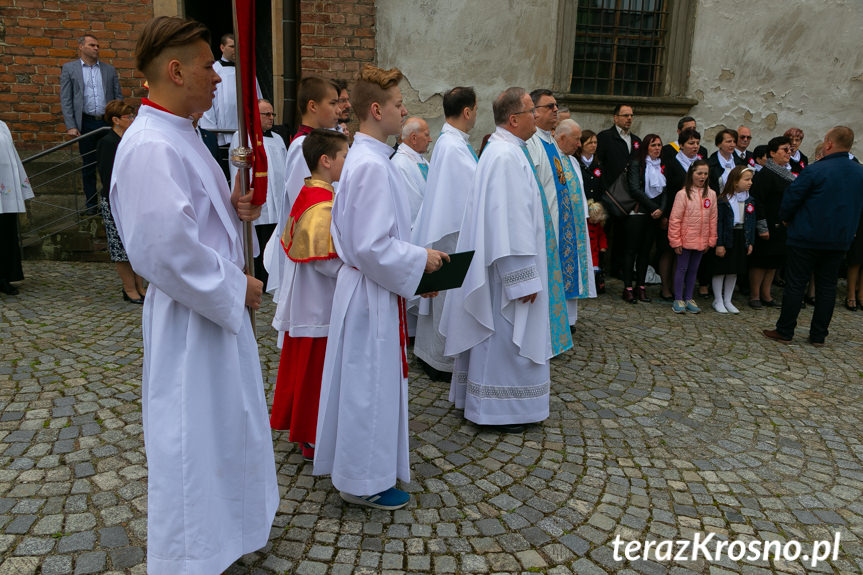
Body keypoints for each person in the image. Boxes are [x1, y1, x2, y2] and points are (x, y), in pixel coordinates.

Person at [109, 17, 278, 573]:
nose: (217, 79)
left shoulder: (182, 133)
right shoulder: (149, 146)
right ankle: (188, 556)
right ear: (176, 70)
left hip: (211, 318)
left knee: (225, 430)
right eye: (209, 67)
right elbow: (163, 250)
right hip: (190, 322)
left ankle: (226, 536)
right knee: (191, 440)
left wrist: (234, 209)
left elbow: (193, 220)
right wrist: (241, 286)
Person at [314, 64, 448, 511]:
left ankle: (363, 470)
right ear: (376, 109)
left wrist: (418, 273)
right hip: (370, 292)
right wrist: (419, 261)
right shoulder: (370, 165)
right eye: (397, 104)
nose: (404, 110)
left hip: (373, 290)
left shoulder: (369, 158)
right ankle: (361, 480)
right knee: (367, 387)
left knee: (369, 383)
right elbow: (371, 246)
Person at [440, 86, 562, 433]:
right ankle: (502, 409)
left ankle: (486, 403)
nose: (536, 118)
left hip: (498, 272)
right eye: (530, 112)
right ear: (514, 119)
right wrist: (521, 278)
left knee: (496, 341)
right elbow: (509, 223)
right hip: (507, 275)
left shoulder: (502, 150)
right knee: (507, 340)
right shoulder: (507, 157)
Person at [271, 129, 347, 462]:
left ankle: (307, 432)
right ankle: (313, 436)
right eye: (345, 156)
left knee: (306, 370)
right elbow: (327, 264)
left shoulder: (309, 193)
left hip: (306, 302)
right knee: (315, 373)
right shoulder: (322, 207)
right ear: (326, 161)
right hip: (319, 306)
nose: (350, 161)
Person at [763, 127, 863, 345]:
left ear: (828, 143)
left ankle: (785, 330)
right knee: (827, 287)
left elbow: (792, 197)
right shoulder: (859, 172)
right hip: (839, 239)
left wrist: (785, 219)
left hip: (807, 236)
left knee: (796, 284)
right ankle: (818, 335)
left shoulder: (816, 170)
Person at [412, 86, 478, 379]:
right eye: (475, 109)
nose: (476, 115)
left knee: (442, 299)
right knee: (447, 300)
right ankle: (440, 361)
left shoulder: (450, 142)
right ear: (467, 111)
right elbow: (470, 194)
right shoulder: (453, 146)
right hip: (452, 233)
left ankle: (432, 356)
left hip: (447, 229)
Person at [263, 77, 340, 298]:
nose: (339, 109)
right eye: (332, 103)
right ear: (313, 106)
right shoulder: (303, 146)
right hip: (312, 248)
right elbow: (305, 202)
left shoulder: (317, 142)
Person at [526, 90, 593, 329]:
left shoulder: (550, 144)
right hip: (542, 227)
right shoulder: (531, 143)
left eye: (556, 106)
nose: (556, 110)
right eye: (550, 106)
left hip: (558, 224)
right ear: (533, 111)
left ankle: (556, 324)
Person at [60, 33, 122, 214]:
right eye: (92, 45)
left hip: (106, 123)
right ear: (81, 47)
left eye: (98, 46)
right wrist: (71, 125)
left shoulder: (109, 70)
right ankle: (91, 206)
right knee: (88, 165)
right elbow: (66, 99)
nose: (96, 48)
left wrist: (119, 122)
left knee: (110, 164)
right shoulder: (70, 69)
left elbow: (118, 97)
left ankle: (112, 204)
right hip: (85, 123)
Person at [229, 98, 288, 286]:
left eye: (272, 114)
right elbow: (237, 170)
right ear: (255, 116)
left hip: (277, 200)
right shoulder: (242, 137)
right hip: (256, 201)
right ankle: (257, 280)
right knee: (256, 243)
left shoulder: (278, 139)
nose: (271, 118)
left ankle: (273, 279)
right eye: (266, 114)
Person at [96, 99, 146, 304]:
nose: (133, 119)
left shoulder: (132, 139)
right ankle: (129, 288)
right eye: (129, 117)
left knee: (136, 244)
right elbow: (108, 177)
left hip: (135, 199)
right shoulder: (107, 142)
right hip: (115, 200)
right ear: (116, 120)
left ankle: (140, 286)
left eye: (133, 116)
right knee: (120, 247)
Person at [657, 127, 703, 300]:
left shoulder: (700, 165)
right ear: (681, 145)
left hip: (693, 217)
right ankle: (666, 287)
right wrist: (665, 215)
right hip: (672, 214)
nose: (695, 146)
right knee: (668, 251)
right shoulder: (671, 163)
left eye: (697, 143)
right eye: (691, 143)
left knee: (683, 252)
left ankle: (679, 287)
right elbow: (666, 192)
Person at [748, 136, 794, 309]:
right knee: (761, 261)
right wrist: (762, 226)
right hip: (767, 224)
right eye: (785, 149)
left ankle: (766, 294)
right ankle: (754, 295)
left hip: (782, 225)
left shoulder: (788, 174)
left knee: (774, 261)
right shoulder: (765, 174)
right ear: (773, 153)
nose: (789, 153)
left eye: (790, 150)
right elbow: (757, 201)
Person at [596, 104, 640, 279]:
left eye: (631, 115)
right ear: (615, 118)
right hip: (608, 195)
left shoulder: (636, 140)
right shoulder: (605, 137)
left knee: (623, 235)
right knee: (602, 234)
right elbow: (599, 163)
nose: (629, 118)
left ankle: (618, 268)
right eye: (625, 115)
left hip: (627, 197)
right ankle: (598, 269)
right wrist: (605, 190)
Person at [667, 160, 716, 314]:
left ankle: (689, 297)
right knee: (682, 268)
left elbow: (713, 218)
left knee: (694, 270)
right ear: (691, 174)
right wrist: (675, 241)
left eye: (705, 174)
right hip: (686, 239)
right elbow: (675, 219)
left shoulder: (711, 194)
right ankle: (678, 298)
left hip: (702, 240)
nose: (702, 177)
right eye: (699, 173)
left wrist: (711, 239)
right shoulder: (682, 194)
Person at [623, 133, 666, 303]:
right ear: (646, 147)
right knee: (631, 251)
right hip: (638, 213)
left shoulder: (662, 166)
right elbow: (634, 189)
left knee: (645, 253)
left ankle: (640, 286)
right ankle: (627, 288)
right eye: (653, 145)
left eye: (659, 145)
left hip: (653, 215)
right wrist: (653, 207)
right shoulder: (637, 164)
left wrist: (661, 209)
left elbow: (664, 190)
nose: (657, 148)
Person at [198, 33, 262, 147]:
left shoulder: (247, 71)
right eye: (232, 46)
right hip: (222, 134)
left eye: (238, 46)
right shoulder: (214, 70)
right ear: (222, 48)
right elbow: (206, 100)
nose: (235, 50)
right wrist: (211, 130)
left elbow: (258, 99)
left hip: (245, 134)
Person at [712, 166, 755, 314]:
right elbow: (719, 223)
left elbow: (751, 222)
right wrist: (719, 244)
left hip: (741, 236)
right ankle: (718, 299)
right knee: (721, 269)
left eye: (751, 179)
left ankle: (728, 300)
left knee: (734, 270)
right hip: (727, 236)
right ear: (735, 182)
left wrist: (750, 242)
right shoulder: (724, 200)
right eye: (747, 179)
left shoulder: (749, 200)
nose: (750, 182)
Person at [0, 120, 33, 296]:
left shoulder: (2, 126)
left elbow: (13, 158)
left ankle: (5, 276)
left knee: (6, 234)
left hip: (6, 194)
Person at [391, 116, 431, 227]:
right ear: (413, 138)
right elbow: (413, 209)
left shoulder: (422, 160)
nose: (430, 139)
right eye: (427, 135)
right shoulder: (400, 164)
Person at [587, 200, 608, 294]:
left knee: (594, 270)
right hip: (586, 250)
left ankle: (592, 286)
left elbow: (602, 236)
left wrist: (603, 247)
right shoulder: (585, 224)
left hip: (594, 252)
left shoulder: (598, 225)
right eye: (593, 220)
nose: (595, 222)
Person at [577, 129, 604, 201]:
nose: (594, 145)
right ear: (582, 144)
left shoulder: (598, 163)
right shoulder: (576, 163)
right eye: (590, 143)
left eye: (595, 142)